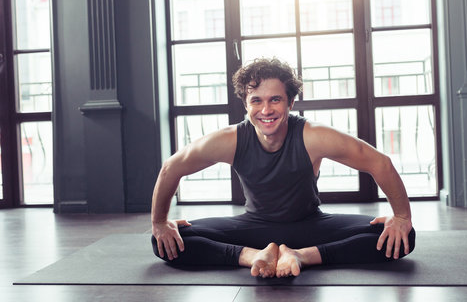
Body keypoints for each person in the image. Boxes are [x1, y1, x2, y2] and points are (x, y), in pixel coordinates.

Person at [151, 57, 415, 278]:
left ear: (291, 102)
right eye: (256, 101)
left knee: (403, 238)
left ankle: (301, 256)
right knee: (163, 242)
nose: (266, 110)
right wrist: (160, 222)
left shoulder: (312, 135)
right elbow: (171, 168)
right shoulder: (230, 140)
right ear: (246, 104)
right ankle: (254, 256)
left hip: (311, 226)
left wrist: (401, 217)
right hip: (253, 228)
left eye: (275, 99)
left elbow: (379, 162)